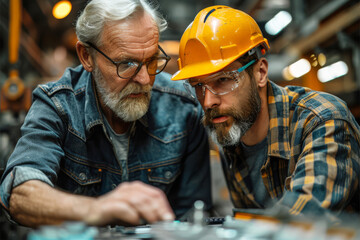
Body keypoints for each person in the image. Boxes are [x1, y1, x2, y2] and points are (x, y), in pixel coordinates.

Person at [0, 0, 212, 228]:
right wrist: (98, 209)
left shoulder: (183, 107)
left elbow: (195, 215)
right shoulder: (58, 106)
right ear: (86, 56)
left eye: (151, 61)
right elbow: (19, 193)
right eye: (126, 63)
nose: (143, 79)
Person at [171, 5, 360, 218]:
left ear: (260, 72)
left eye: (223, 80)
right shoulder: (230, 133)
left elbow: (302, 220)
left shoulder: (322, 120)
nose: (207, 102)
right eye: (198, 86)